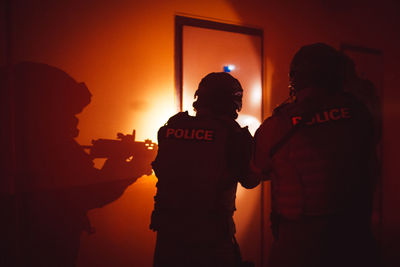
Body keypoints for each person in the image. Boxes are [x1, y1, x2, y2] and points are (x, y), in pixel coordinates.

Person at [1, 62, 153, 267]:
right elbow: (93, 192)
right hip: (42, 245)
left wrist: (121, 161)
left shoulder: (26, 143)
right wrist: (132, 166)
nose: (74, 121)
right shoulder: (49, 147)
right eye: (67, 112)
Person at [253, 43, 379, 267]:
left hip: (298, 245)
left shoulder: (277, 125)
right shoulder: (359, 112)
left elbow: (255, 172)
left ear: (296, 78)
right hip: (354, 239)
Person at [150, 72, 260, 267]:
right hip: (211, 239)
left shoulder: (171, 128)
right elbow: (250, 181)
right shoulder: (235, 136)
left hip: (168, 236)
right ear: (234, 102)